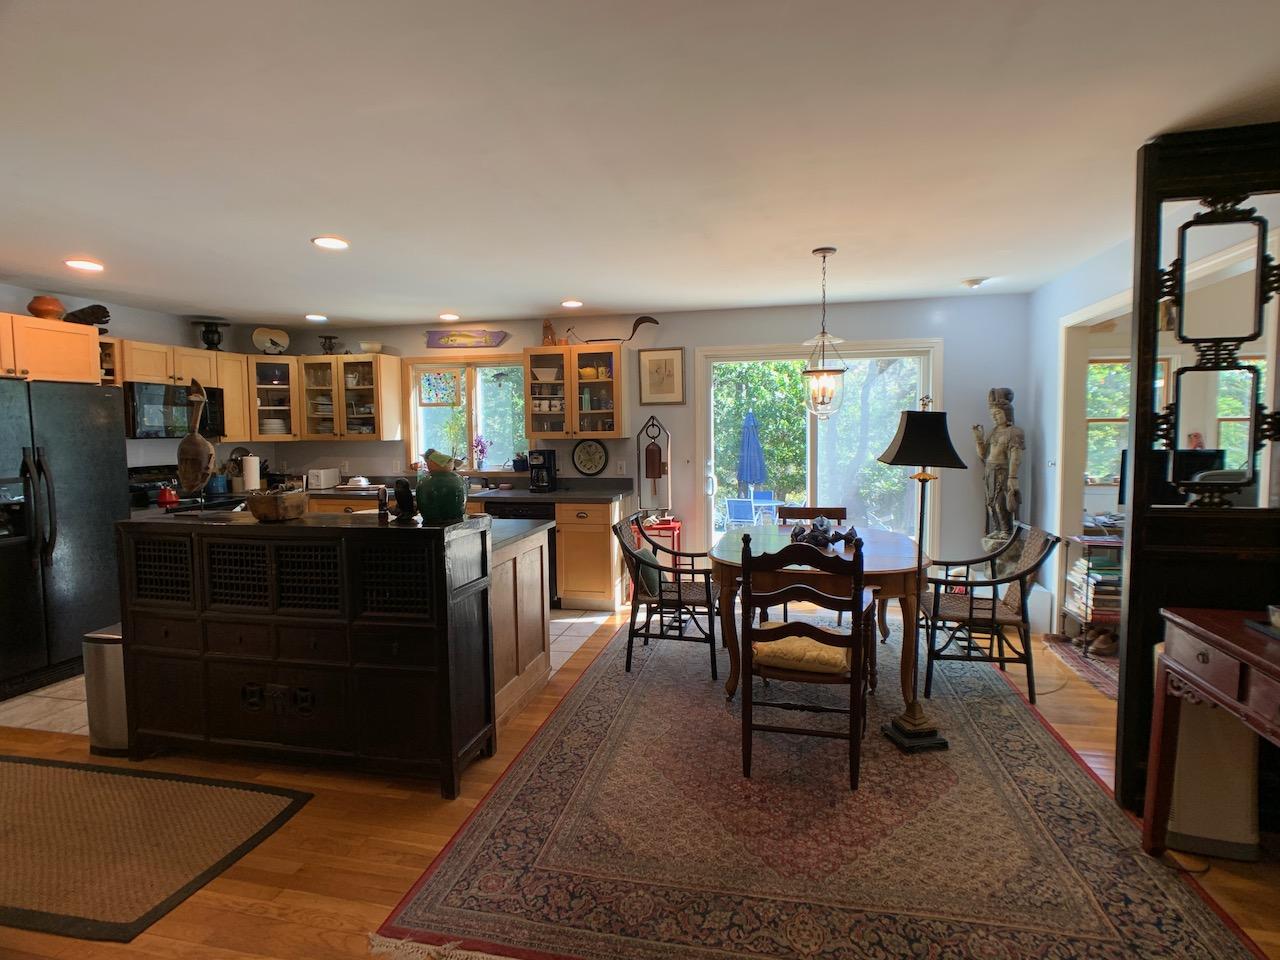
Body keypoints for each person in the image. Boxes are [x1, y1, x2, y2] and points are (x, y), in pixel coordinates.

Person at [972, 387, 1025, 540]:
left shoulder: (1015, 432)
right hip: (989, 472)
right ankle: (997, 528)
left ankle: (1006, 531)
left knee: (1001, 502)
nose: (994, 418)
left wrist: (1013, 477)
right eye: (992, 415)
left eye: (997, 414)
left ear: (1007, 413)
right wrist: (978, 438)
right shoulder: (993, 432)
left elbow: (1016, 456)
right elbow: (983, 455)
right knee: (991, 503)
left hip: (1003, 472)